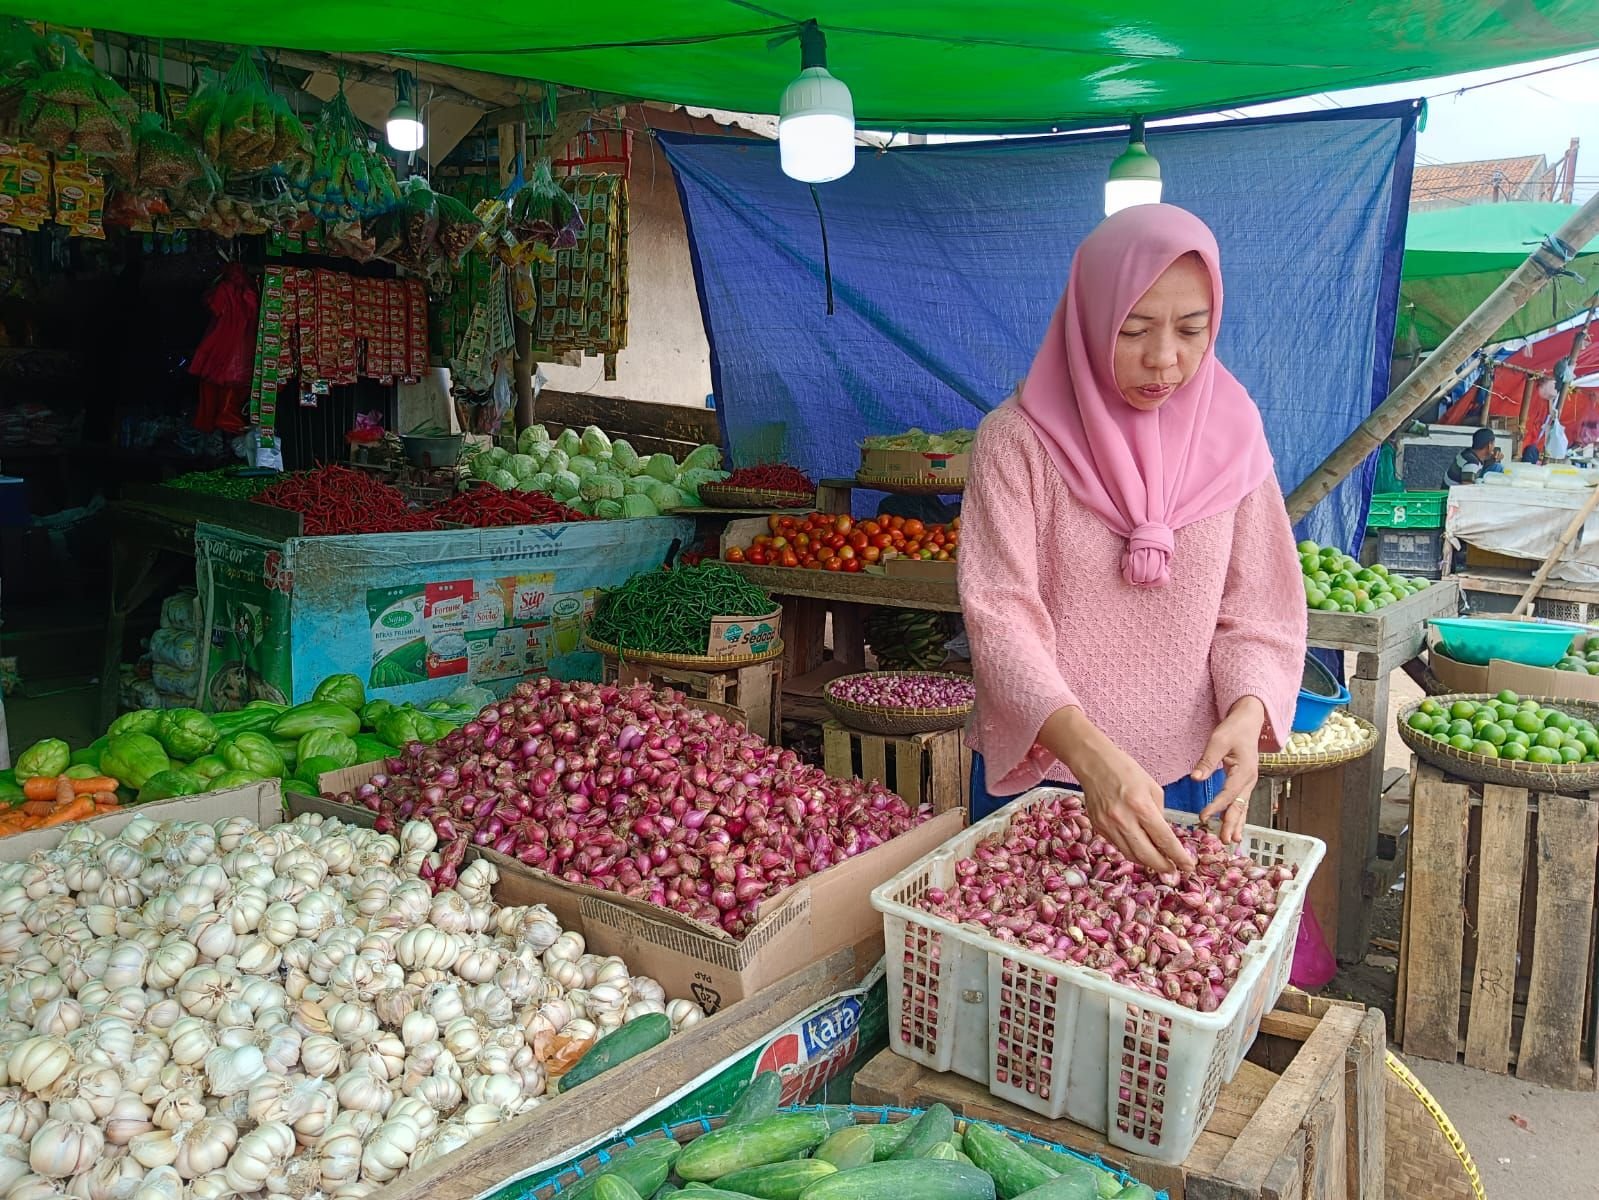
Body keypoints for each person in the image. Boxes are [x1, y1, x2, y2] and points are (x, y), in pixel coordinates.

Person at [959, 205, 1306, 873]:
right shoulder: (1017, 441)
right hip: (1048, 772)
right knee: (1026, 969)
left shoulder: (1234, 434)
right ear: (1088, 320)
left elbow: (1258, 608)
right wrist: (1089, 758)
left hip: (1187, 776)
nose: (1163, 359)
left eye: (1191, 329)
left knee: (1166, 966)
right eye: (1134, 329)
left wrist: (1247, 709)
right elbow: (1000, 619)